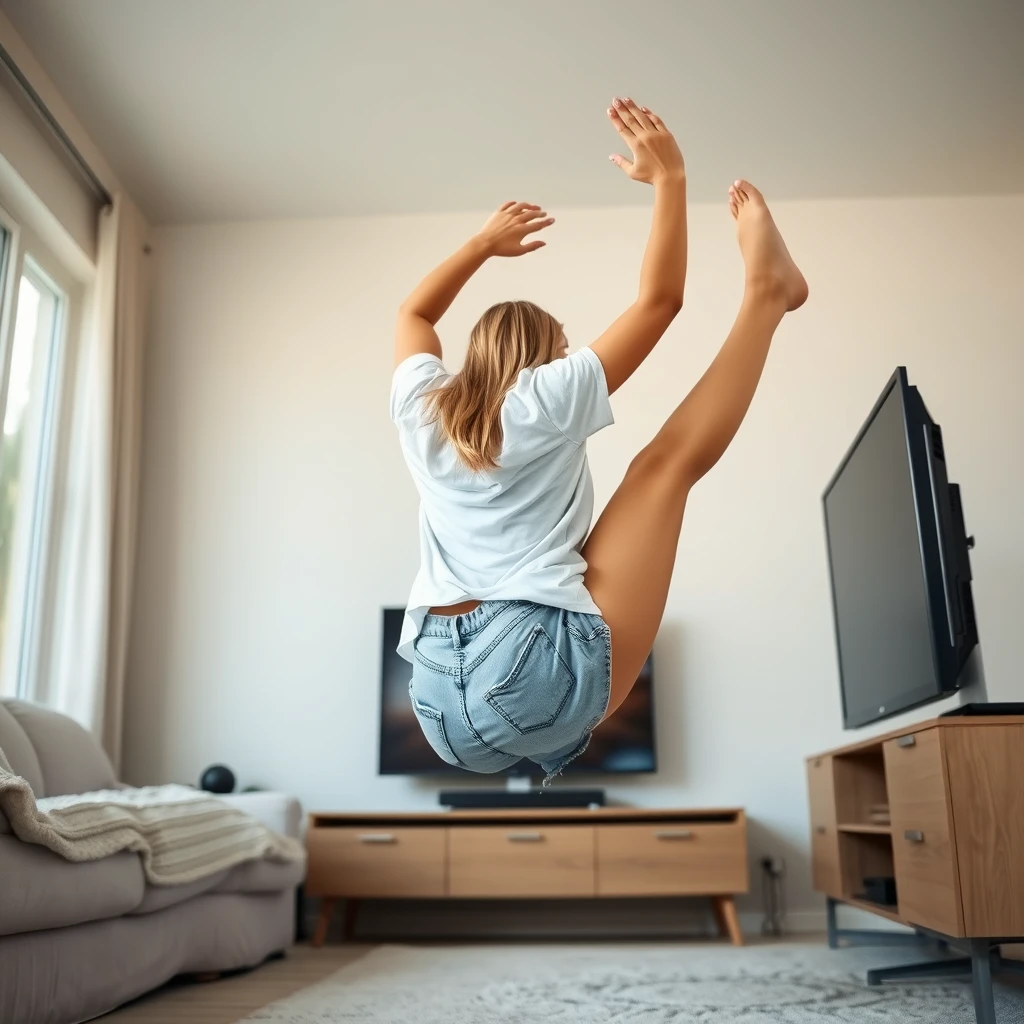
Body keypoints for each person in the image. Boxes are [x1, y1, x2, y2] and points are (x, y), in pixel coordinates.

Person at [390, 98, 807, 782]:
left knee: (652, 483)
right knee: (661, 468)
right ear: (550, 356)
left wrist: (479, 246)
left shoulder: (420, 405)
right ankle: (767, 293)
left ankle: (768, 293)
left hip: (435, 698)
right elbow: (659, 302)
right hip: (515, 668)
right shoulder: (549, 393)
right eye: (561, 351)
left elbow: (414, 313)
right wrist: (669, 179)